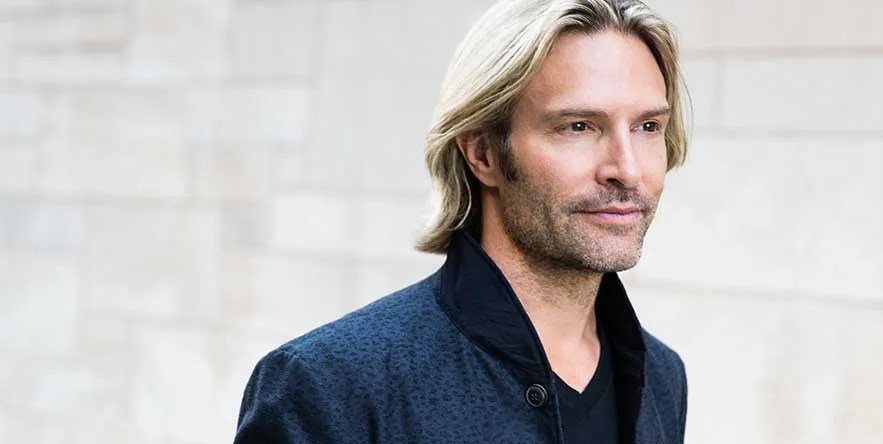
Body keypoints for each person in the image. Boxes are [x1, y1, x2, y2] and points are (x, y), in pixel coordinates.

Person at [234, 0, 689, 442]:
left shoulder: (662, 377)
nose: (627, 169)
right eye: (578, 126)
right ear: (483, 154)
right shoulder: (330, 385)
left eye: (648, 127)